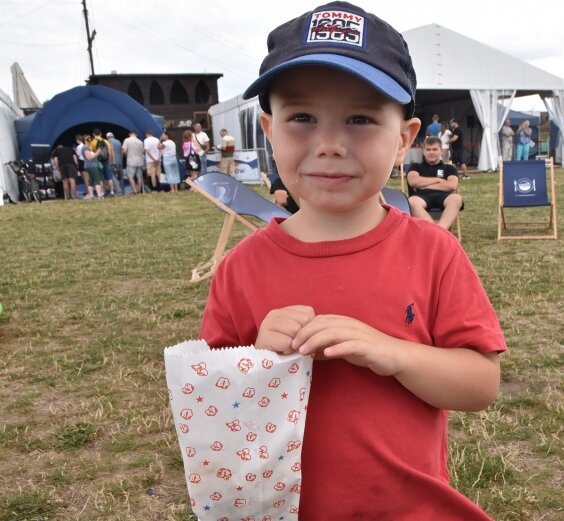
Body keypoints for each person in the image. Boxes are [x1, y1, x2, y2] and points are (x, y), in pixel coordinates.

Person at [198, 3, 505, 519]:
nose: (331, 145)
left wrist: (395, 353)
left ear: (404, 138)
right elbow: (211, 405)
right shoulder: (241, 268)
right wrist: (256, 360)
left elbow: (480, 384)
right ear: (269, 130)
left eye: (360, 119)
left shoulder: (433, 252)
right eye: (302, 119)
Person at [407, 136, 463, 231]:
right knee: (412, 201)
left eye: (435, 149)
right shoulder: (415, 167)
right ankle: (439, 232)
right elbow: (413, 181)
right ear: (423, 151)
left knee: (456, 198)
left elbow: (452, 185)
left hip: (443, 197)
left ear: (441, 151)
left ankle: (438, 232)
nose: (431, 152)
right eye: (428, 149)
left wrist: (424, 185)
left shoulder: (449, 168)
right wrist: (438, 180)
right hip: (420, 197)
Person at [90, 128, 116, 196]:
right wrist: (110, 160)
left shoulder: (92, 142)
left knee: (100, 178)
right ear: (101, 134)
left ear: (93, 134)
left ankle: (102, 192)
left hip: (98, 162)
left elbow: (91, 153)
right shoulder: (106, 141)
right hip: (106, 161)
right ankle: (112, 191)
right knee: (109, 177)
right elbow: (109, 153)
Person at [122, 130, 145, 194]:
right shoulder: (140, 141)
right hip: (140, 161)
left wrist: (124, 156)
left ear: (129, 134)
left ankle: (134, 191)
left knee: (130, 176)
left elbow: (124, 150)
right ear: (136, 134)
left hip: (131, 161)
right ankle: (139, 190)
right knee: (139, 176)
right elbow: (143, 152)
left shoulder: (127, 140)